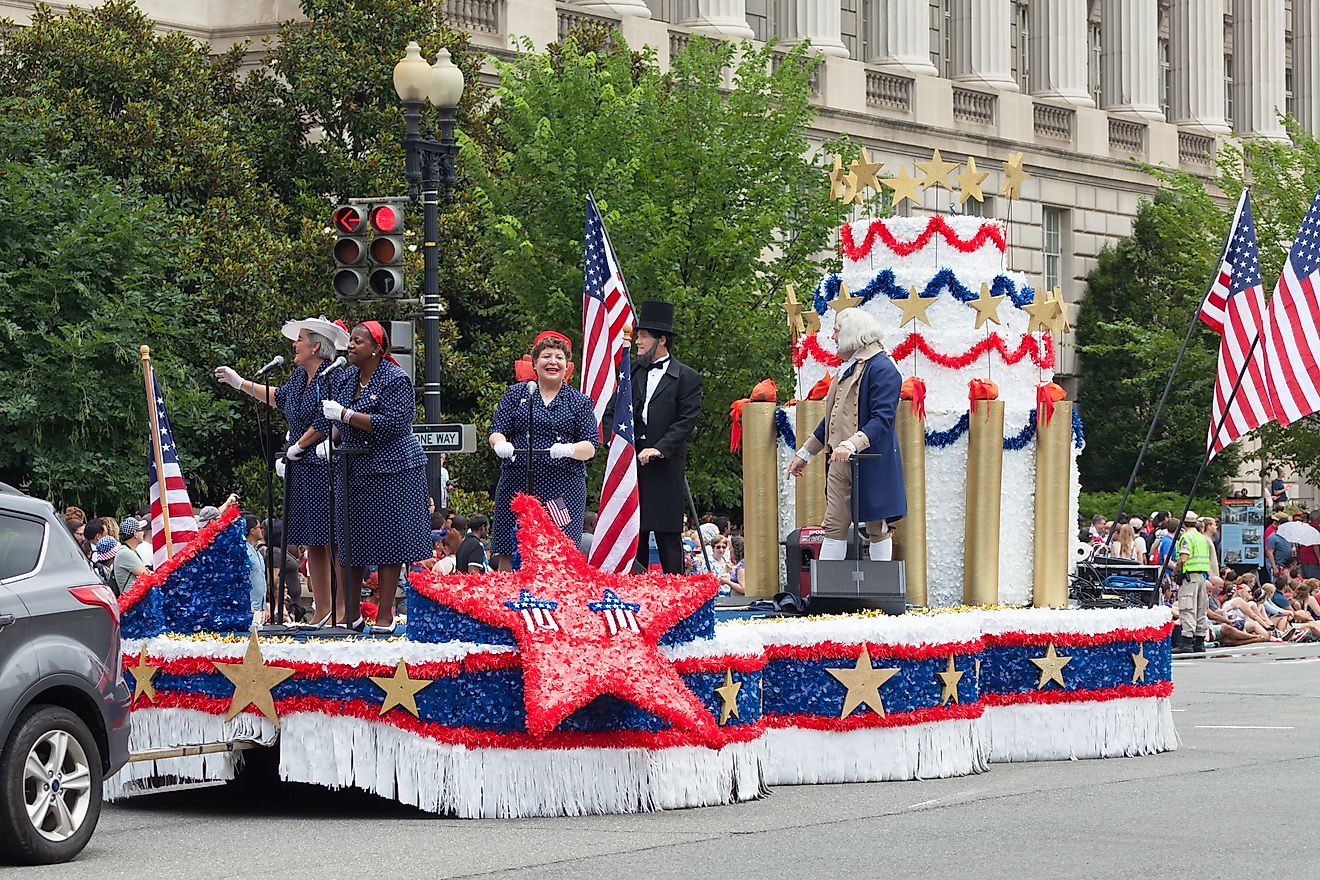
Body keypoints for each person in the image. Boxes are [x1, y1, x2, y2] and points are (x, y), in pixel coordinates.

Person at [216, 315, 348, 627]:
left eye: (300, 339)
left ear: (316, 346)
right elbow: (279, 397)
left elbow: (326, 419)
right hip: (300, 465)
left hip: (322, 464)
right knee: (313, 540)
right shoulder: (298, 378)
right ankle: (323, 609)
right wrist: (241, 384)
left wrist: (299, 444)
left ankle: (344, 608)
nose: (294, 344)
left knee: (333, 539)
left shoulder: (332, 377)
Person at [322, 321, 433, 632]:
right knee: (350, 540)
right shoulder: (346, 378)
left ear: (375, 348)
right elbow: (336, 420)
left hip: (393, 469)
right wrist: (330, 439)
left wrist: (346, 415)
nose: (351, 346)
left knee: (389, 541)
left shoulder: (395, 379)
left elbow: (393, 424)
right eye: (351, 340)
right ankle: (351, 614)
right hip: (354, 467)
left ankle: (385, 615)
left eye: (358, 341)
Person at [786, 308, 906, 561]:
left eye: (836, 331)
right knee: (833, 526)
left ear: (851, 333)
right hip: (840, 461)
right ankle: (828, 597)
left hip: (871, 461)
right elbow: (832, 421)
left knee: (877, 527)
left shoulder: (883, 368)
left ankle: (879, 594)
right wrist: (805, 453)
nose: (832, 337)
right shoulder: (848, 369)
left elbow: (883, 418)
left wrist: (852, 444)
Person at [488, 331, 598, 570]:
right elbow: (496, 430)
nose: (552, 362)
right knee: (510, 548)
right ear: (535, 363)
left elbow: (590, 445)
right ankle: (508, 603)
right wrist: (500, 444)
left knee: (559, 552)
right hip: (518, 482)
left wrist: (569, 449)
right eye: (546, 356)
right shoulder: (516, 394)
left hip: (562, 487)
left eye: (559, 357)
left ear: (567, 366)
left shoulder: (579, 401)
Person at [618, 300, 703, 575]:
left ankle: (677, 592)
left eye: (643, 336)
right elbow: (614, 409)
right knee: (635, 532)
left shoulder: (687, 377)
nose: (638, 340)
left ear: (661, 340)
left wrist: (659, 448)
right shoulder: (631, 370)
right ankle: (636, 592)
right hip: (631, 463)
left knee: (667, 535)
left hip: (665, 464)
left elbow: (685, 421)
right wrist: (613, 441)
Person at [1173, 513, 1213, 653]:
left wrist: (1176, 571)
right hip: (1201, 576)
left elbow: (1183, 557)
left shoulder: (1186, 537)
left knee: (1187, 608)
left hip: (1189, 576)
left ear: (1183, 524)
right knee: (1200, 608)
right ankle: (1199, 641)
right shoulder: (1202, 538)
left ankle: (1187, 642)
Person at [111, 517, 149, 595]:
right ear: (135, 534)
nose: (143, 533)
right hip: (130, 601)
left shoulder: (129, 551)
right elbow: (145, 574)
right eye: (141, 530)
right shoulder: (125, 553)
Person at [242, 514, 267, 617]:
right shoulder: (244, 551)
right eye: (259, 527)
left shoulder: (257, 552)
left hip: (260, 607)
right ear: (252, 531)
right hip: (250, 607)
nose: (262, 530)